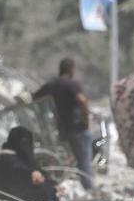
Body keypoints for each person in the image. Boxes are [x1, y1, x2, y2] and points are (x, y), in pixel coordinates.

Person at [31, 58, 94, 190]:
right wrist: (86, 121)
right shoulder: (71, 84)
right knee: (84, 161)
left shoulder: (52, 85)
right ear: (71, 69)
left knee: (74, 159)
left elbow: (35, 97)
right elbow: (82, 101)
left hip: (63, 128)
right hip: (77, 127)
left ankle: (74, 185)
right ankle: (89, 188)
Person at [0, 126, 58, 201]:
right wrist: (31, 173)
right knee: (46, 191)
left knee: (49, 188)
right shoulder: (4, 158)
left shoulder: (18, 155)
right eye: (23, 141)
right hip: (11, 198)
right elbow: (16, 169)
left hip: (19, 193)